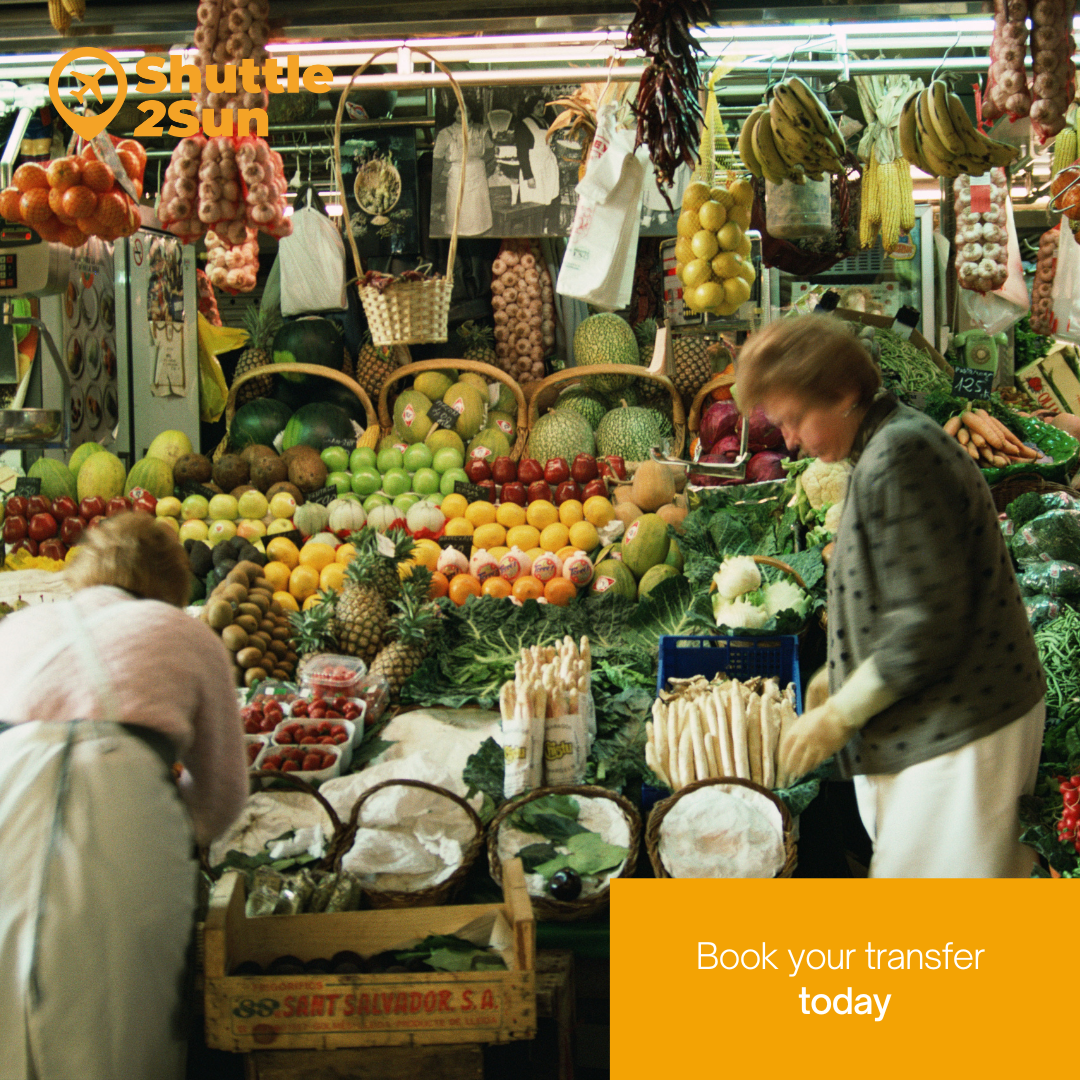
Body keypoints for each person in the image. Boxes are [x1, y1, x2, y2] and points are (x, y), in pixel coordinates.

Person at [736, 314, 1046, 878]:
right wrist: (839, 674)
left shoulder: (900, 457)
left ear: (845, 393)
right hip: (944, 721)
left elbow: (928, 624)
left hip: (963, 724)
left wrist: (841, 714)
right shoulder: (885, 444)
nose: (789, 441)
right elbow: (900, 583)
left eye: (795, 419)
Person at [0, 511, 248, 1080]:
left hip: (6, 798)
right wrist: (166, 822)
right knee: (116, 1018)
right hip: (122, 811)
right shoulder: (186, 632)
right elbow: (223, 792)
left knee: (10, 1012)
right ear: (172, 579)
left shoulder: (16, 630)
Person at [432, 101, 493, 236]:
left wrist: (483, 168)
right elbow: (436, 158)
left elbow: (490, 151)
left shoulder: (481, 131)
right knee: (459, 213)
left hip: (478, 175)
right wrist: (440, 175)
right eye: (459, 112)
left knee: (478, 215)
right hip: (457, 175)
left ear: (471, 113)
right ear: (454, 114)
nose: (463, 115)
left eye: (467, 111)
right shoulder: (445, 133)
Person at [513, 95, 560, 231]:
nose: (541, 109)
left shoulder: (545, 123)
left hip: (547, 166)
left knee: (548, 198)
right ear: (531, 107)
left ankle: (544, 229)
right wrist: (528, 176)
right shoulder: (524, 124)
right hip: (534, 168)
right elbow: (522, 153)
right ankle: (532, 230)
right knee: (534, 201)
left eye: (543, 106)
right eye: (538, 106)